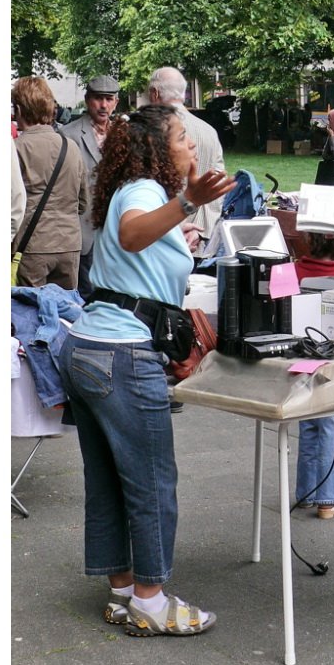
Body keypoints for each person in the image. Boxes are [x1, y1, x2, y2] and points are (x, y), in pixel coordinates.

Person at [58, 104, 236, 637]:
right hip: (121, 355)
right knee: (152, 481)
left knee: (109, 480)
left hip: (89, 346)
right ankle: (152, 602)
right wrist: (188, 203)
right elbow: (135, 235)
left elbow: (137, 250)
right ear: (158, 149)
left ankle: (121, 592)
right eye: (183, 138)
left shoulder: (136, 190)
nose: (192, 146)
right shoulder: (144, 191)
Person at [293, 232, 334, 519]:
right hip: (331, 364)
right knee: (331, 425)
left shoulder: (293, 271)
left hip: (298, 361)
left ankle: (305, 492)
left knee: (307, 425)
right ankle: (328, 498)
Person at [11, 76, 89, 289]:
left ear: (18, 109)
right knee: (64, 313)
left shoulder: (16, 149)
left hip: (31, 246)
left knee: (30, 315)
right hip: (69, 244)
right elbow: (83, 202)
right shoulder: (71, 146)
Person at [148, 66, 226, 263]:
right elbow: (217, 186)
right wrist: (199, 231)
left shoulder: (149, 131)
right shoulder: (209, 132)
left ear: (155, 93)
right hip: (194, 242)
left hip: (155, 239)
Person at [60, 75, 121, 300]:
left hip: (116, 228)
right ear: (87, 100)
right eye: (98, 98)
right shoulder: (69, 134)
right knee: (86, 296)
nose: (103, 105)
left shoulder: (123, 134)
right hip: (83, 230)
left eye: (108, 99)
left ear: (116, 102)